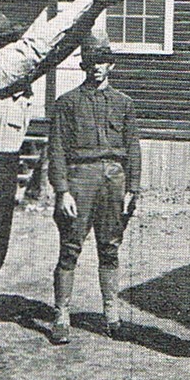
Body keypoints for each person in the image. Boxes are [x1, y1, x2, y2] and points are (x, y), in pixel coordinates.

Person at [0, 0, 114, 371]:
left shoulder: (10, 67)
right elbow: (36, 48)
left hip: (0, 171)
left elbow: (54, 51)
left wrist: (90, 12)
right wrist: (78, 3)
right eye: (7, 41)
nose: (13, 45)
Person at [46, 35, 141, 344]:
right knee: (70, 246)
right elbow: (57, 149)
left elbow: (133, 148)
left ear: (110, 65)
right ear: (84, 65)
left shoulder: (124, 103)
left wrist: (133, 187)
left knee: (110, 246)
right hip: (80, 178)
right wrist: (62, 190)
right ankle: (61, 314)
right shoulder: (67, 103)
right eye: (91, 62)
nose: (97, 68)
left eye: (103, 62)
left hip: (114, 179)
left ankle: (111, 313)